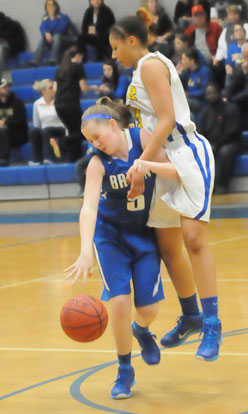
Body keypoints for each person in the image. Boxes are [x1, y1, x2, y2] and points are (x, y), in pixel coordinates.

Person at [109, 16, 222, 362]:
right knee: (169, 247)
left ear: (131, 40)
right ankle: (190, 315)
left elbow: (167, 120)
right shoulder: (135, 75)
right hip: (159, 158)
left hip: (185, 155)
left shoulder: (151, 65)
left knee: (193, 240)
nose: (113, 56)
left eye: (115, 47)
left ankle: (213, 324)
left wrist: (140, 163)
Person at [64, 102, 178, 398]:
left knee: (148, 309)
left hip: (143, 234)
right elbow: (88, 207)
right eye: (90, 141)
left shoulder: (142, 139)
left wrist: (147, 165)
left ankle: (141, 330)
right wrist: (85, 250)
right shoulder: (97, 162)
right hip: (110, 238)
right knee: (118, 302)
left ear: (114, 125)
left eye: (98, 137)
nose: (95, 144)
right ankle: (124, 369)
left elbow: (175, 171)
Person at [197, 81, 243, 194]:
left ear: (219, 93)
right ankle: (202, 187)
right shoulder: (204, 113)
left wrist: (216, 146)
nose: (211, 96)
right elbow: (200, 133)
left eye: (213, 93)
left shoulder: (231, 108)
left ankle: (222, 185)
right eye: (208, 94)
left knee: (224, 152)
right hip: (212, 145)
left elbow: (232, 133)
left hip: (232, 143)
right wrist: (207, 146)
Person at [52, 46, 96, 162]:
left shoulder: (60, 69)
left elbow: (55, 89)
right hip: (70, 103)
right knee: (84, 131)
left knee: (73, 130)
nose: (82, 59)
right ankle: (60, 141)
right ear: (77, 56)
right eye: (81, 57)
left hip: (58, 105)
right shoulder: (77, 67)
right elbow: (84, 88)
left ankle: (74, 159)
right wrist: (95, 87)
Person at [28, 0, 77, 67]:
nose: (51, 7)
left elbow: (61, 29)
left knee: (56, 36)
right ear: (46, 7)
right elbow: (42, 28)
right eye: (49, 5)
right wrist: (46, 33)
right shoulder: (45, 17)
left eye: (52, 5)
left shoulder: (63, 16)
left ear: (56, 6)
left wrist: (52, 20)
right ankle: (35, 61)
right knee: (43, 38)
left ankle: (53, 59)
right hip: (54, 40)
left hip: (67, 39)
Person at [29, 79, 66, 165]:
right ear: (43, 91)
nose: (54, 89)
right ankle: (37, 160)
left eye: (54, 87)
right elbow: (37, 124)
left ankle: (49, 158)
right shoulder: (37, 104)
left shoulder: (60, 101)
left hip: (60, 129)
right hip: (45, 131)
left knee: (46, 131)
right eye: (51, 87)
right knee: (34, 131)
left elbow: (66, 120)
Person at [0, 78, 28, 166]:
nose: (7, 89)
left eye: (8, 87)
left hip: (17, 133)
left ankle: (3, 158)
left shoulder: (17, 102)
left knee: (3, 131)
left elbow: (21, 121)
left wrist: (5, 122)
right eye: (4, 87)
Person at [180, 47, 212, 117]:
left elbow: (204, 91)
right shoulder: (186, 72)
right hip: (190, 99)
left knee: (180, 101)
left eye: (184, 59)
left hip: (200, 102)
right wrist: (178, 74)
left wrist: (188, 94)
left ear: (192, 60)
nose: (182, 62)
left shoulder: (204, 71)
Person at [223, 42, 248, 129]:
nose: (246, 60)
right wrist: (226, 96)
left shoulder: (244, 68)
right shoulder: (240, 67)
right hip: (241, 100)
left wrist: (246, 74)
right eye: (245, 57)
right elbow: (233, 84)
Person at [0, 12, 26, 76]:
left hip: (14, 48)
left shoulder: (14, 25)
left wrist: (5, 41)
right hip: (5, 49)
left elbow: (20, 41)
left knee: (1, 47)